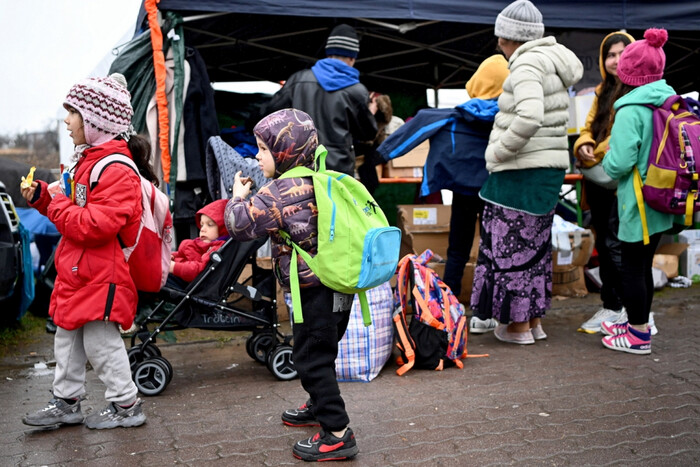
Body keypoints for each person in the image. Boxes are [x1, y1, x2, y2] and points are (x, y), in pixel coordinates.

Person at [20, 73, 154, 429]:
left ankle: (127, 405)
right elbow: (73, 211)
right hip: (79, 271)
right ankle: (67, 401)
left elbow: (94, 226)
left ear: (95, 121)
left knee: (101, 342)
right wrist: (45, 199)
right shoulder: (89, 162)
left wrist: (56, 205)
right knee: (67, 338)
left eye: (73, 112)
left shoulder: (116, 169)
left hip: (101, 273)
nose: (66, 120)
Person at [224, 108, 359, 461]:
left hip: (313, 291)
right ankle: (318, 406)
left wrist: (237, 196)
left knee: (311, 359)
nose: (257, 156)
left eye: (263, 149)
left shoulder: (280, 192)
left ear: (284, 151)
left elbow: (239, 225)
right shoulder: (322, 178)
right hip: (339, 288)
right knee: (318, 352)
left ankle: (337, 433)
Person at [470, 0, 583, 345]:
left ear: (508, 37)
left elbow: (530, 115)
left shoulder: (525, 65)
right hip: (546, 171)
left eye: (500, 39)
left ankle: (517, 328)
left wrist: (498, 151)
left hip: (518, 173)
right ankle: (532, 322)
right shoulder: (551, 61)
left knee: (509, 250)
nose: (499, 46)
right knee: (533, 250)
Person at [376, 55, 510, 334]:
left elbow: (419, 125)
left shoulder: (455, 114)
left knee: (457, 249)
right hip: (496, 190)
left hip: (462, 190)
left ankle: (446, 309)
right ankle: (485, 313)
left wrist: (381, 154)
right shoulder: (510, 118)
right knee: (493, 249)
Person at [599, 28, 675, 355]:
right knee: (643, 265)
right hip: (663, 196)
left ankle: (638, 334)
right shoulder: (667, 101)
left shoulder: (631, 109)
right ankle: (635, 322)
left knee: (631, 267)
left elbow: (619, 164)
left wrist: (606, 157)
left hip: (639, 200)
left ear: (629, 73)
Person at [574, 32, 634, 333]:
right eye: (610, 54)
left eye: (623, 53)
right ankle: (611, 306)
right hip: (597, 179)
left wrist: (591, 155)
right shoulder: (602, 90)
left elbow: (622, 138)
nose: (616, 60)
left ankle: (629, 311)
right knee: (605, 241)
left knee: (617, 243)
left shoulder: (636, 91)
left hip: (621, 179)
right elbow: (588, 127)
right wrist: (583, 144)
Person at [262, 24, 378, 176]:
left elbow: (268, 115)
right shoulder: (356, 91)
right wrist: (371, 112)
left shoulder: (298, 80)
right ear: (352, 57)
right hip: (337, 170)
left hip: (299, 166)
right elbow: (367, 134)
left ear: (328, 53)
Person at [168, 198, 228, 286]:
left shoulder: (216, 248)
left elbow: (198, 269)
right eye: (202, 224)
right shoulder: (202, 244)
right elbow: (184, 253)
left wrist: (173, 267)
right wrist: (172, 256)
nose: (202, 229)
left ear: (223, 228)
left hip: (187, 280)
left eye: (210, 225)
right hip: (179, 270)